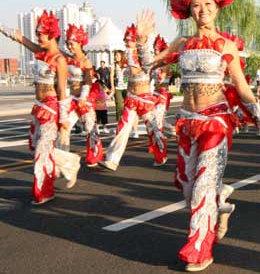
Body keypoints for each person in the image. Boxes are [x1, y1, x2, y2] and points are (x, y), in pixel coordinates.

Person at [144, 0, 260, 271]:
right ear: (189, 10)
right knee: (188, 188)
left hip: (215, 121)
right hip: (187, 120)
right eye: (196, 5)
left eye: (208, 5)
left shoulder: (227, 46)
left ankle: (200, 249)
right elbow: (150, 63)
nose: (202, 10)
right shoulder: (181, 44)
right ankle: (221, 205)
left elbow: (241, 87)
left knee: (202, 188)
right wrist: (140, 41)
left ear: (217, 8)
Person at [0, 12, 80, 204]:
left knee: (42, 152)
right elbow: (20, 38)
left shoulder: (60, 60)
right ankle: (69, 164)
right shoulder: (40, 52)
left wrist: (63, 119)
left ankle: (44, 192)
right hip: (39, 107)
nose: (37, 37)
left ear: (52, 35)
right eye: (37, 34)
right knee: (37, 147)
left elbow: (62, 89)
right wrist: (2, 28)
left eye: (41, 34)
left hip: (52, 109)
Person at [98, 24, 167, 170]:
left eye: (128, 40)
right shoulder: (128, 58)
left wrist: (141, 44)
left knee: (153, 129)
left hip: (145, 99)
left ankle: (161, 154)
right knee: (122, 129)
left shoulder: (143, 56)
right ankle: (112, 159)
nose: (125, 42)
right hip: (131, 98)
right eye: (125, 40)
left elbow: (146, 62)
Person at [59, 24, 103, 167]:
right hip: (72, 100)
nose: (69, 46)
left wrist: (83, 98)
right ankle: (62, 158)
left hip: (84, 100)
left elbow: (88, 81)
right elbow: (53, 51)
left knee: (91, 129)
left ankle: (94, 156)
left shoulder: (86, 61)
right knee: (64, 127)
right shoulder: (68, 59)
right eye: (67, 44)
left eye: (72, 43)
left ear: (79, 43)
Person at [110, 50, 128, 123]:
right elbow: (111, 75)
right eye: (115, 55)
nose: (116, 57)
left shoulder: (127, 64)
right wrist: (112, 87)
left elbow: (129, 75)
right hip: (118, 88)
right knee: (119, 105)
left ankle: (127, 121)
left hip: (127, 87)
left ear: (122, 56)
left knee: (128, 106)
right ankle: (119, 123)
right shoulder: (113, 65)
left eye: (117, 55)